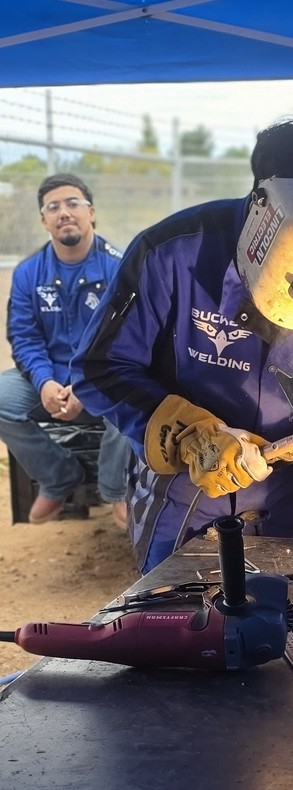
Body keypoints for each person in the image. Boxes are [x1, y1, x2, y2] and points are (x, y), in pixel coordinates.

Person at [70, 111, 293, 573]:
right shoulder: (171, 252)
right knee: (178, 623)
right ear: (265, 214)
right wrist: (188, 433)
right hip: (186, 496)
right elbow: (98, 368)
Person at [0, 173, 131, 527]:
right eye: (53, 207)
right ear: (44, 220)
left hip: (106, 376)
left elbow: (128, 338)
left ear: (91, 213)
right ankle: (59, 479)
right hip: (51, 378)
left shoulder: (120, 266)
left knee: (139, 394)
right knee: (2, 398)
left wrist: (86, 385)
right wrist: (43, 382)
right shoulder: (29, 273)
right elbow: (24, 337)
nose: (64, 212)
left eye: (73, 203)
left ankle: (115, 489)